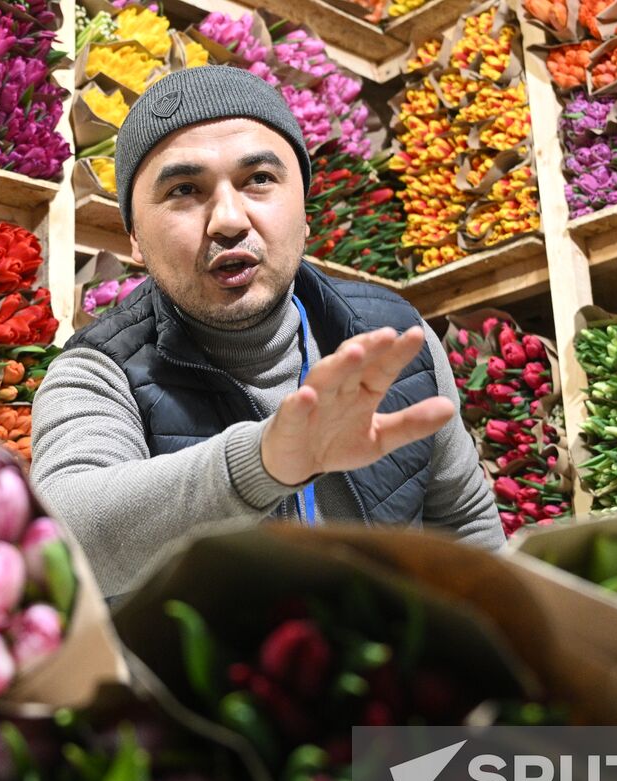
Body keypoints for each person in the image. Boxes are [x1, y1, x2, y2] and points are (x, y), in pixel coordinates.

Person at [32, 65, 502, 599]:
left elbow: (464, 522)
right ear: (135, 237)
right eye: (185, 190)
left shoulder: (394, 339)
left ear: (304, 213)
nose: (229, 219)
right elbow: (64, 539)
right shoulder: (99, 372)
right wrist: (262, 463)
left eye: (259, 179)